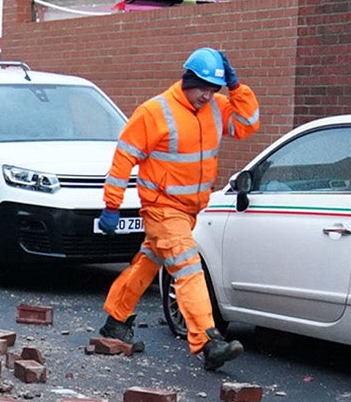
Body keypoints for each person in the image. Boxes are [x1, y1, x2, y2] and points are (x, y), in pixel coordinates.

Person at [96, 47, 260, 370]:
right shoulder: (155, 112)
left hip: (189, 211)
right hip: (161, 208)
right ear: (187, 80)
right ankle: (207, 340)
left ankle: (116, 319)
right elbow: (123, 157)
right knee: (187, 266)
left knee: (146, 263)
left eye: (214, 89)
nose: (207, 95)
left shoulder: (217, 108)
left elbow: (248, 123)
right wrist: (111, 205)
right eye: (202, 87)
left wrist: (237, 88)